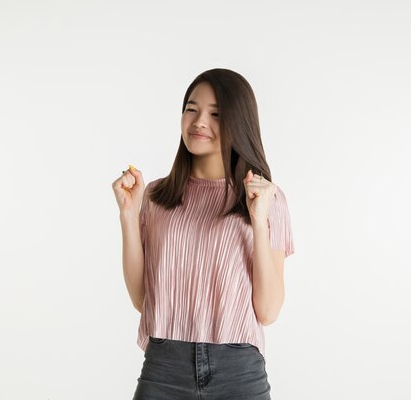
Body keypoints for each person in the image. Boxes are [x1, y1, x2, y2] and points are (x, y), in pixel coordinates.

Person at [112, 68, 295, 400]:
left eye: (216, 113)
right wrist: (129, 214)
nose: (198, 121)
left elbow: (267, 311)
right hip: (163, 368)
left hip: (238, 371)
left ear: (238, 122)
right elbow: (142, 299)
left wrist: (257, 217)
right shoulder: (155, 197)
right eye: (191, 108)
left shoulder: (266, 199)